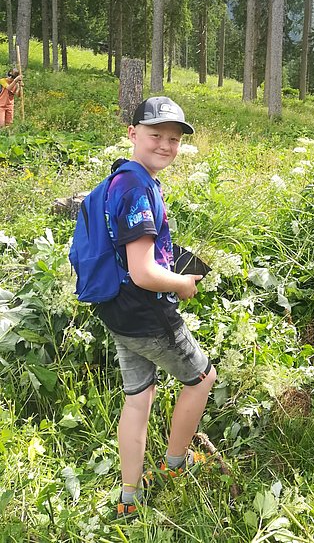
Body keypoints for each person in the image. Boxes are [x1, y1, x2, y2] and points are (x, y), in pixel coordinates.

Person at [95, 96, 217, 516]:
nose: (165, 145)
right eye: (155, 136)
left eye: (173, 139)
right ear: (132, 134)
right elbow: (144, 271)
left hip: (116, 308)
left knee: (138, 398)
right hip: (145, 310)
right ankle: (176, 465)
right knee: (201, 378)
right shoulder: (138, 189)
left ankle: (130, 497)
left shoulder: (120, 178)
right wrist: (182, 282)